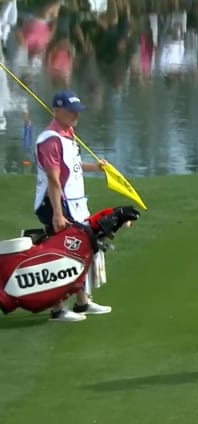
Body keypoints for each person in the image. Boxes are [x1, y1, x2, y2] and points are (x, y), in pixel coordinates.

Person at [33, 90, 112, 322]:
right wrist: (58, 213)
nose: (75, 116)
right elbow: (54, 179)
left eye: (77, 111)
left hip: (74, 204)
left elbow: (73, 166)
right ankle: (57, 309)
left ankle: (82, 302)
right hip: (56, 204)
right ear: (57, 111)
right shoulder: (50, 140)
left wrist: (95, 167)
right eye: (71, 111)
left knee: (79, 250)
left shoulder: (68, 133)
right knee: (61, 255)